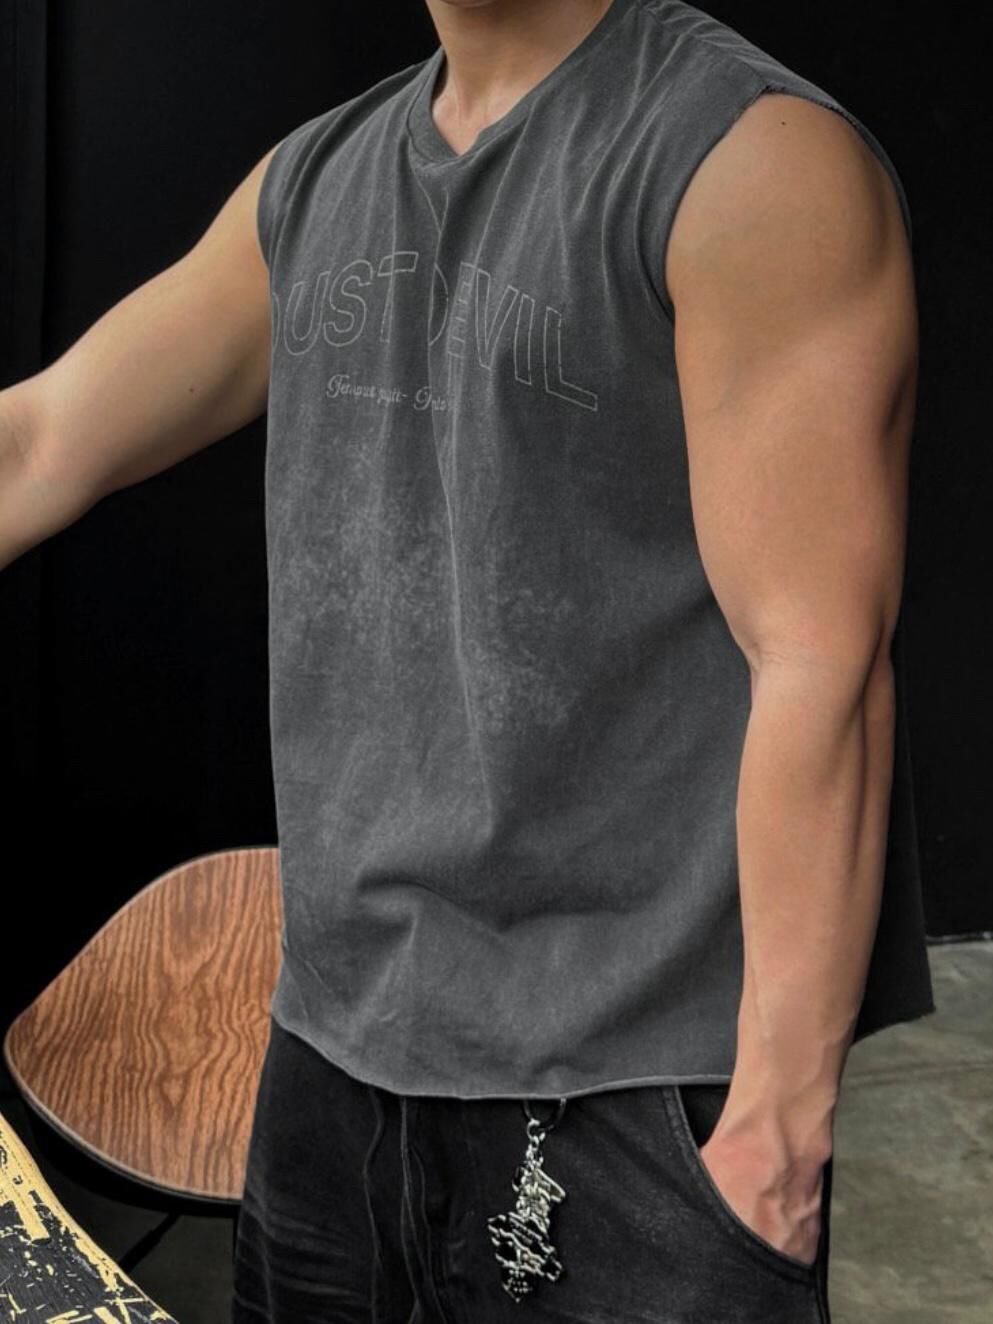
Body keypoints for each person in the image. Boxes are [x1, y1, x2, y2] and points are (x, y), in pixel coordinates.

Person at [0, 0, 934, 1319]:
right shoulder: (318, 176)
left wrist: (773, 1144)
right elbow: (39, 443)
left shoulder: (743, 156)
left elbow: (820, 661)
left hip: (628, 1084)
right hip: (335, 1052)